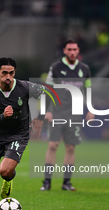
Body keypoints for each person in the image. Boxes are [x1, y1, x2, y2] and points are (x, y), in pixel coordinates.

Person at [0, 57, 48, 210]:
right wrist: (3, 115)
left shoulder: (24, 86)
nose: (8, 77)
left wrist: (40, 118)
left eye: (11, 73)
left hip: (18, 134)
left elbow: (46, 94)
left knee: (4, 171)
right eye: (4, 73)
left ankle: (8, 179)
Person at [40, 39, 94, 191]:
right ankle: (47, 182)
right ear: (64, 50)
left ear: (78, 51)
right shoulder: (56, 67)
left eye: (74, 49)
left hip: (75, 113)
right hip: (57, 112)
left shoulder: (84, 69)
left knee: (70, 147)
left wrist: (91, 109)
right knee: (53, 145)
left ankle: (66, 183)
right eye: (69, 49)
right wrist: (47, 110)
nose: (72, 52)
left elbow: (87, 91)